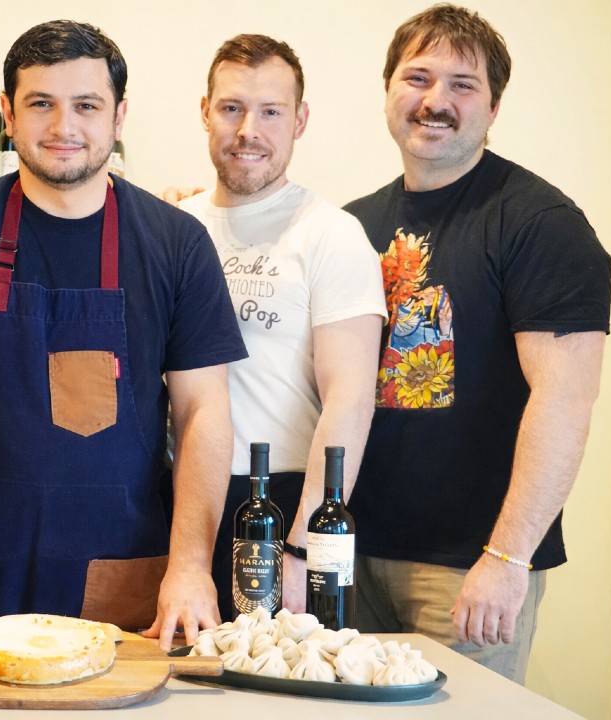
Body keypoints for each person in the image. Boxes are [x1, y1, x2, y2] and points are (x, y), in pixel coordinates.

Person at [0, 19, 247, 651]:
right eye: (41, 103)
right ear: (8, 114)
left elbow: (203, 410)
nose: (64, 126)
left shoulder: (177, 244)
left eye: (87, 106)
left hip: (123, 575)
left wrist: (189, 566)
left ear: (119, 117)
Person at [343, 4, 611, 682]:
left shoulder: (541, 223)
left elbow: (565, 400)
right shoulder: (349, 226)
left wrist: (507, 558)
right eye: (418, 77)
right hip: (350, 555)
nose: (436, 100)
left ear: (493, 107)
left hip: (467, 570)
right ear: (388, 90)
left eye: (463, 85)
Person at [177, 34, 385, 621]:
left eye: (271, 111)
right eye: (232, 108)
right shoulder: (174, 226)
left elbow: (350, 399)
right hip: (176, 502)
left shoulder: (331, 234)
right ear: (205, 111)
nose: (249, 130)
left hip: (280, 501)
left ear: (300, 120)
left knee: (268, 673)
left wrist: (301, 545)